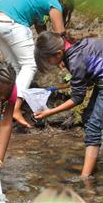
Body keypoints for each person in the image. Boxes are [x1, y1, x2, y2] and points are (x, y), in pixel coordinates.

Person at [0, 0, 72, 128]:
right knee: (30, 64)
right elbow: (59, 34)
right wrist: (63, 57)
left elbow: (42, 34)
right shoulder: (54, 1)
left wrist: (52, 55)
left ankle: (7, 107)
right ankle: (15, 108)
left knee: (14, 68)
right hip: (12, 22)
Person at [34, 31, 103, 178]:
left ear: (58, 53)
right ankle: (93, 157)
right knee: (88, 117)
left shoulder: (75, 60)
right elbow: (91, 72)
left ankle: (85, 179)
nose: (50, 65)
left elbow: (78, 98)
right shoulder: (78, 46)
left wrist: (49, 112)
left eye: (48, 61)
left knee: (92, 126)